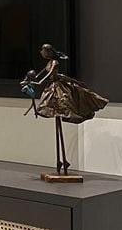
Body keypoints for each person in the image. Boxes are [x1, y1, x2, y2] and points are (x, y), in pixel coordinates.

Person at [22, 43, 108, 175]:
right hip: (51, 87)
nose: (41, 52)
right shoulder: (49, 62)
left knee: (58, 110)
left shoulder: (55, 62)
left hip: (56, 88)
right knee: (50, 114)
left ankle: (63, 161)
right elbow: (40, 74)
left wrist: (38, 83)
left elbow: (47, 76)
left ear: (48, 52)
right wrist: (29, 80)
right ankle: (61, 161)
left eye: (43, 50)